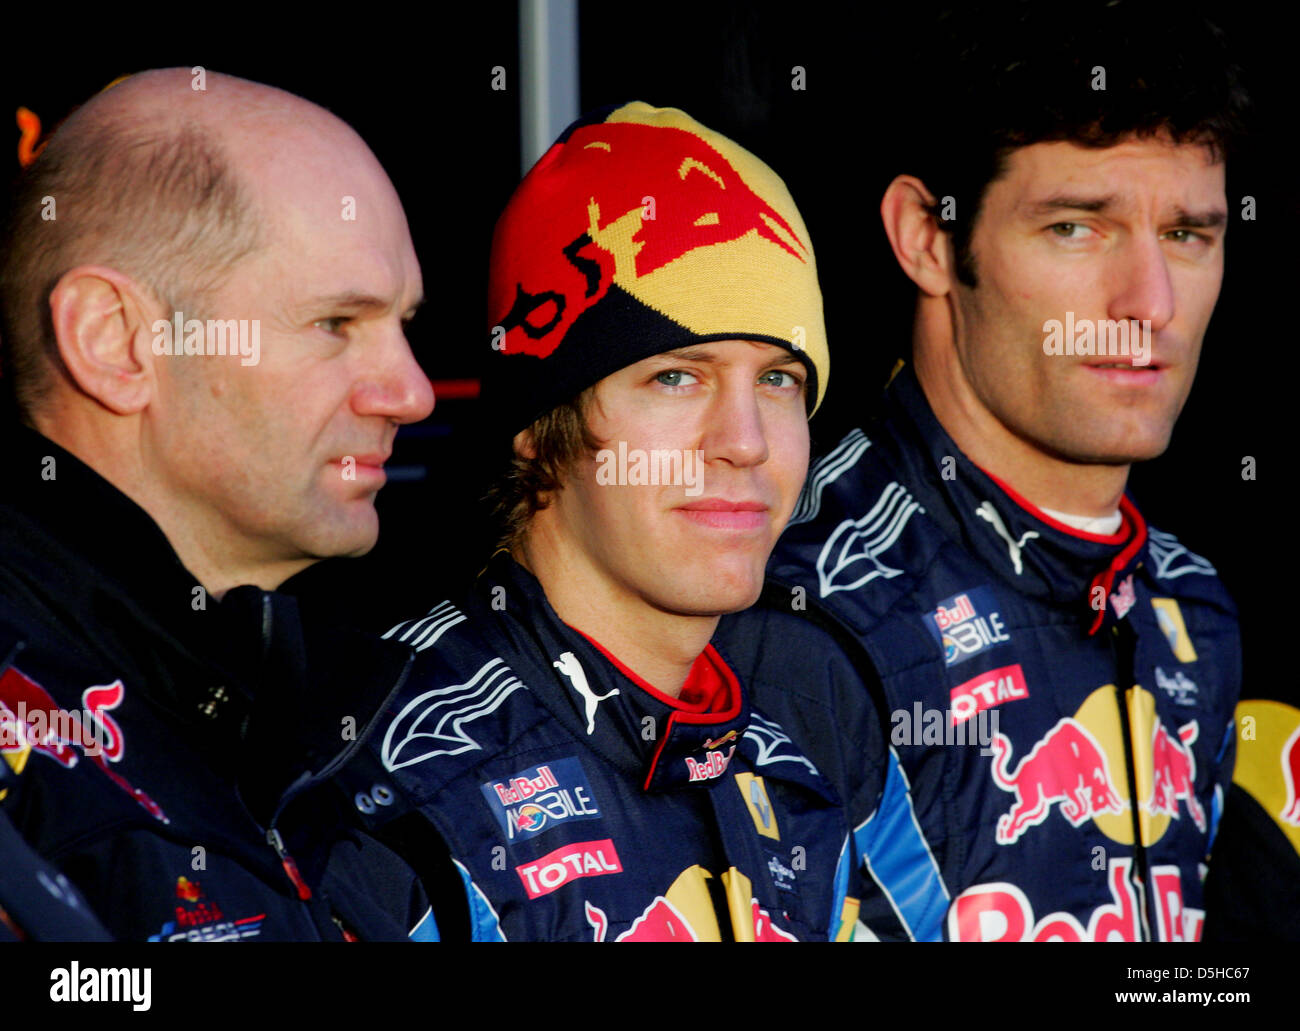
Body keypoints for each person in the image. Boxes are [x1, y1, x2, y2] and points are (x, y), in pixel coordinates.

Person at [717, 1, 1247, 941]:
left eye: (1188, 236)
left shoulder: (1190, 604)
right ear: (928, 236)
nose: (1150, 304)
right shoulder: (790, 609)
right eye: (1077, 228)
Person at [338, 102, 866, 940]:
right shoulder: (397, 783)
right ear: (540, 422)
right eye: (675, 378)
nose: (746, 443)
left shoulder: (807, 732)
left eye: (779, 380)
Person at [0, 68, 437, 940]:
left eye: (404, 325)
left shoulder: (327, 725)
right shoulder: (33, 761)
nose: (413, 392)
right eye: (335, 325)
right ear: (116, 342)